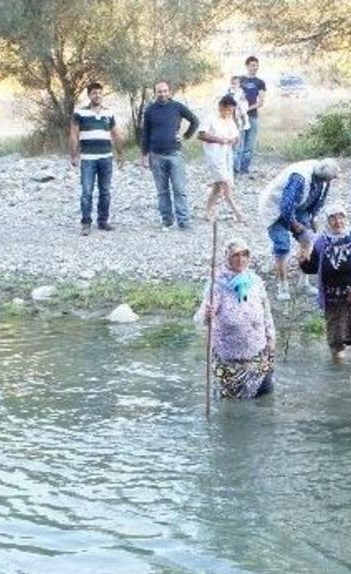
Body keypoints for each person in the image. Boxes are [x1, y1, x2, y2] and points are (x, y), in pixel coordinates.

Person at [197, 237, 276, 399]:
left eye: (244, 254)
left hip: (258, 353)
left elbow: (266, 312)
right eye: (235, 255)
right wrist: (207, 314)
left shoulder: (255, 281)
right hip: (229, 358)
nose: (241, 259)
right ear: (227, 257)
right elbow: (201, 317)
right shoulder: (217, 283)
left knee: (264, 398)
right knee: (232, 405)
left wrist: (271, 338)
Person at [258, 159, 341, 300]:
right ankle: (282, 286)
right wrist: (294, 224)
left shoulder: (324, 180)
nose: (329, 182)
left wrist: (312, 218)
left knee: (308, 239)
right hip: (275, 207)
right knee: (282, 245)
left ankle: (303, 282)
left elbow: (319, 201)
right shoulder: (299, 178)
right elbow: (286, 205)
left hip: (299, 206)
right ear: (321, 176)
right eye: (328, 179)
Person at [299, 203, 351, 362]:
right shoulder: (321, 242)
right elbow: (312, 268)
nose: (338, 222)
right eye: (333, 218)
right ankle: (337, 371)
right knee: (335, 341)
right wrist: (303, 261)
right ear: (328, 221)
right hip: (332, 299)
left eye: (341, 217)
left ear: (346, 219)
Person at [140, 80, 199, 230]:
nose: (162, 94)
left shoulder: (177, 107)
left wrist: (185, 136)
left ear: (169, 92)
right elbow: (145, 133)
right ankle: (166, 219)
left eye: (165, 91)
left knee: (179, 189)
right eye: (159, 91)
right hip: (156, 155)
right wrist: (144, 155)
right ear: (155, 93)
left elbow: (194, 121)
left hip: (175, 154)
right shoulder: (150, 110)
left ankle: (184, 221)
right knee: (162, 190)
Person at [69, 81, 123, 235]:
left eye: (99, 92)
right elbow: (74, 134)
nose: (97, 95)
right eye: (94, 93)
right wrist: (73, 155)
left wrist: (120, 153)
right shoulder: (79, 113)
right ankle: (86, 223)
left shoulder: (109, 113)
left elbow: (115, 134)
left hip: (106, 157)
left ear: (102, 95)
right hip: (88, 159)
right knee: (87, 192)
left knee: (105, 191)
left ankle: (103, 221)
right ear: (89, 95)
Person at [197, 95, 243, 221]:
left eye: (231, 110)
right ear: (221, 106)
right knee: (225, 183)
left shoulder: (229, 120)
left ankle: (207, 212)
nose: (229, 113)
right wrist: (219, 140)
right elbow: (201, 135)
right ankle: (237, 211)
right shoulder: (210, 118)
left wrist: (233, 140)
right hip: (214, 156)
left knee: (217, 186)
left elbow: (236, 136)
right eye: (228, 110)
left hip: (227, 156)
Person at [236, 56, 267, 175]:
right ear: (247, 66)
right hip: (239, 117)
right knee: (238, 142)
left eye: (256, 65)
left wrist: (247, 109)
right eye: (253, 65)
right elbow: (233, 95)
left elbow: (261, 102)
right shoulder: (240, 79)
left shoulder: (260, 82)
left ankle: (245, 168)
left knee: (249, 143)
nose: (255, 68)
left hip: (252, 116)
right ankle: (236, 168)